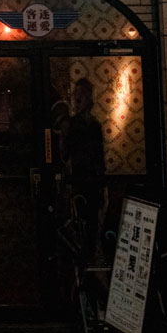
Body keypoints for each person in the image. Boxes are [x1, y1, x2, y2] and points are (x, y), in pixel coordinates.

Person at [62, 77, 107, 262]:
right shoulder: (72, 125)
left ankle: (87, 262)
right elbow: (65, 155)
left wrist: (102, 186)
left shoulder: (94, 126)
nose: (78, 99)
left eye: (82, 94)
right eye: (76, 95)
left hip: (92, 182)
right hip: (78, 181)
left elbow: (99, 157)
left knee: (91, 226)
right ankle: (81, 262)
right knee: (79, 223)